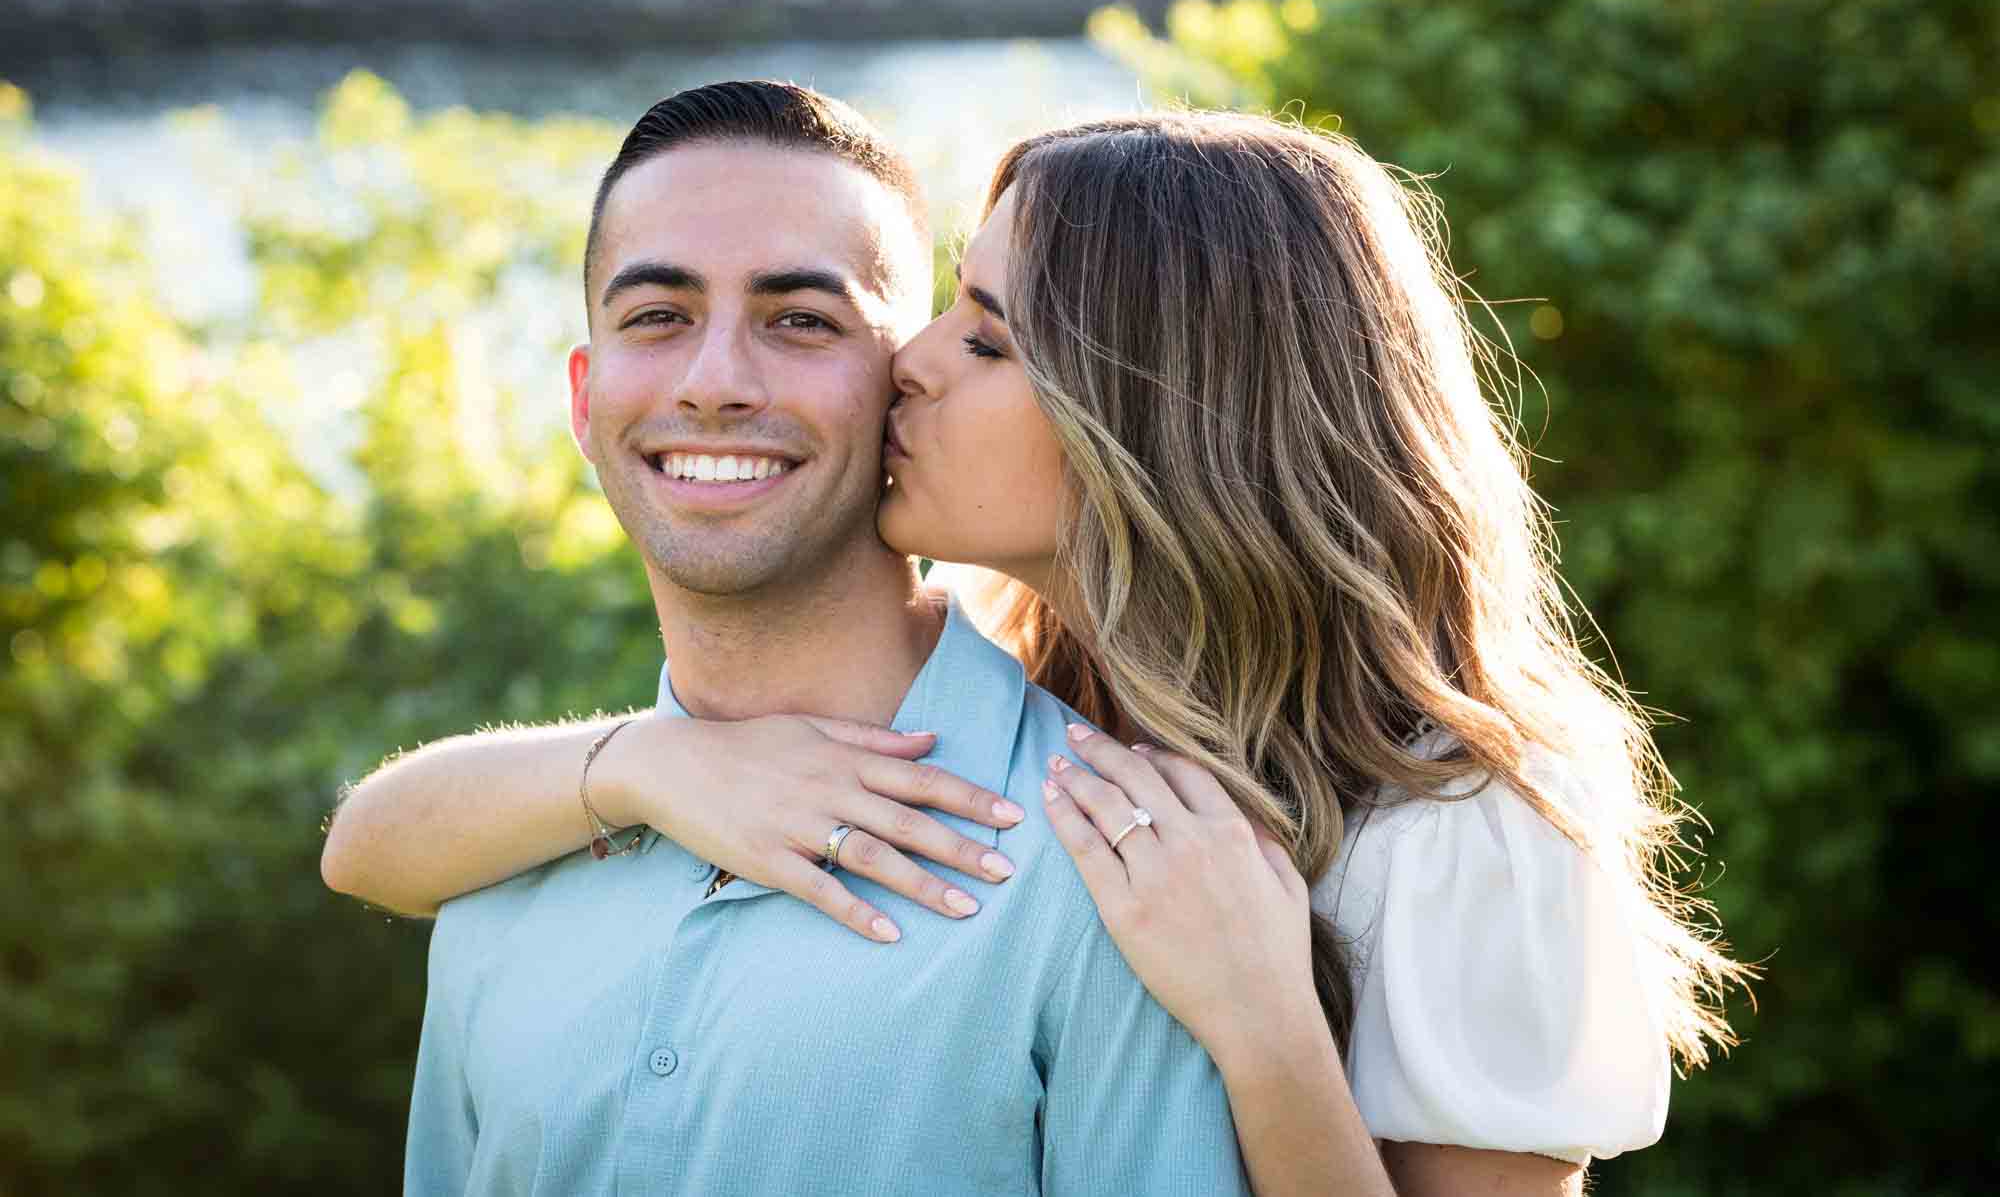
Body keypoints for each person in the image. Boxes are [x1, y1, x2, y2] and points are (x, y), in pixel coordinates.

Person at [324, 104, 1748, 1196]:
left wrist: (1263, 1024)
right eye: (949, 305)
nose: (916, 362)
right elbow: (370, 843)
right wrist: (653, 763)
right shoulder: (1062, 689)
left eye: (989, 339)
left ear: (1161, 414)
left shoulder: (1451, 820)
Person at [364, 80, 1253, 1196]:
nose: (716, 383)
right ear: (584, 400)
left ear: (904, 384)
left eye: (800, 321)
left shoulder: (1117, 868)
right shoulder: (500, 868)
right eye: (657, 317)